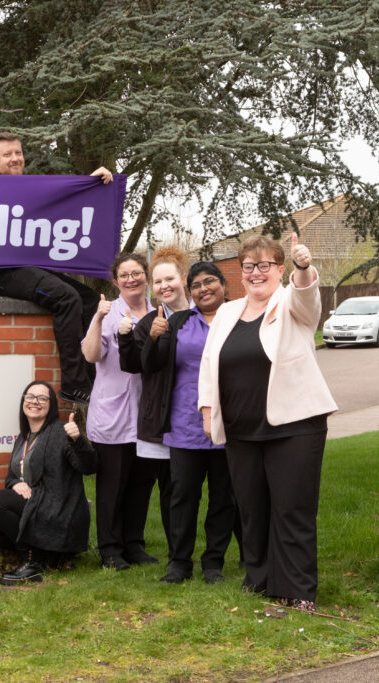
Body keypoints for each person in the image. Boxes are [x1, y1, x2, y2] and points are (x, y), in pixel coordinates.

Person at [199, 234, 336, 611]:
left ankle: (297, 589)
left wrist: (304, 268)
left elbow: (308, 299)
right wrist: (208, 411)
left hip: (294, 426)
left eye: (264, 265)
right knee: (252, 509)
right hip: (242, 430)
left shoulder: (291, 301)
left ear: (279, 270)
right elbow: (210, 365)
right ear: (240, 272)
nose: (256, 273)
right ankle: (258, 580)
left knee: (292, 509)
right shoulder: (227, 312)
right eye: (248, 266)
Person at [0, 131, 112, 405]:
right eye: (7, 155)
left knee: (88, 300)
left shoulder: (32, 187)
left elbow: (65, 195)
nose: (15, 159)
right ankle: (73, 385)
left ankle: (92, 379)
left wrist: (92, 183)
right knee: (66, 298)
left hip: (29, 267)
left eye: (18, 153)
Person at [140, 261, 238, 584]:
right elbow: (151, 365)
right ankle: (179, 563)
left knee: (224, 497)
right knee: (183, 496)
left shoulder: (239, 319)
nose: (203, 288)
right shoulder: (178, 321)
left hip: (229, 425)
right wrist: (153, 340)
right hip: (185, 425)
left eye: (210, 282)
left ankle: (214, 564)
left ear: (223, 284)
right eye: (196, 284)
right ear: (189, 290)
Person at [116, 247, 193, 569]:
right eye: (158, 281)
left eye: (170, 279)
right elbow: (134, 365)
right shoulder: (149, 322)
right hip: (160, 421)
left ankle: (237, 553)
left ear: (183, 279)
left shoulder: (205, 316)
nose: (164, 286)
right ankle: (178, 557)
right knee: (169, 491)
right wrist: (131, 337)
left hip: (196, 417)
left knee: (217, 490)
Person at [0, 380, 97, 584]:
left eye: (42, 398)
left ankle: (31, 563)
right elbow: (12, 476)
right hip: (35, 504)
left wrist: (78, 440)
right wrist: (15, 483)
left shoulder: (61, 432)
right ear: (24, 402)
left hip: (57, 507)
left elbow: (89, 466)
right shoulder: (23, 438)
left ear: (51, 405)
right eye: (30, 397)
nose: (35, 402)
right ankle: (46, 556)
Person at [81, 252, 158, 570]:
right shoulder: (108, 312)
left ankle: (134, 544)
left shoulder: (159, 313)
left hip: (147, 414)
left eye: (137, 273)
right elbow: (90, 354)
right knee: (112, 485)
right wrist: (98, 318)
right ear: (115, 281)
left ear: (146, 276)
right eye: (124, 275)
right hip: (113, 415)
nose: (131, 279)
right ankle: (111, 549)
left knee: (141, 483)